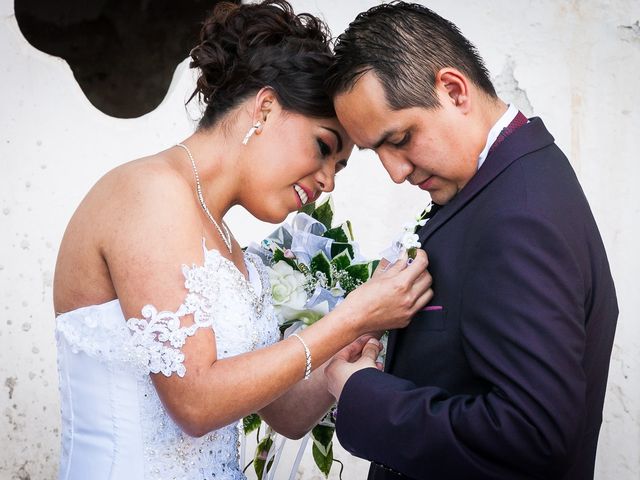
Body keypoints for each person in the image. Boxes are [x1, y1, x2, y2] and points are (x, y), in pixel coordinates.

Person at [52, 2, 433, 479]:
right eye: (323, 147)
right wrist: (350, 316)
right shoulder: (147, 192)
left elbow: (287, 415)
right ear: (266, 106)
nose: (328, 181)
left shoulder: (230, 246)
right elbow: (195, 403)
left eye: (338, 168)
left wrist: (365, 323)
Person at [323, 3, 618, 480]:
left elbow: (533, 438)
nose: (395, 172)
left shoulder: (519, 213)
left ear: (453, 90)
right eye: (376, 153)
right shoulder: (506, 181)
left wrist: (362, 393)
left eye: (399, 139)